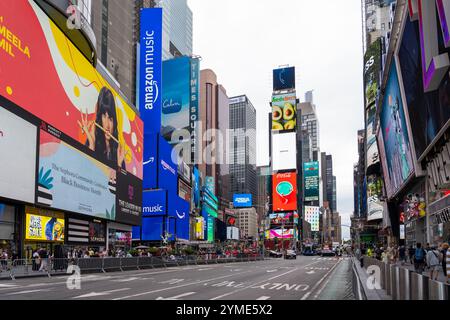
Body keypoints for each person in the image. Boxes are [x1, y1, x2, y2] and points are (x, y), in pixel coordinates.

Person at [79, 87, 125, 170]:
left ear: (114, 122)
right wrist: (92, 146)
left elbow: (121, 183)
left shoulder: (118, 152)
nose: (107, 125)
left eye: (110, 118)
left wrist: (119, 165)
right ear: (100, 118)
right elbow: (83, 174)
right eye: (104, 116)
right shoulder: (92, 141)